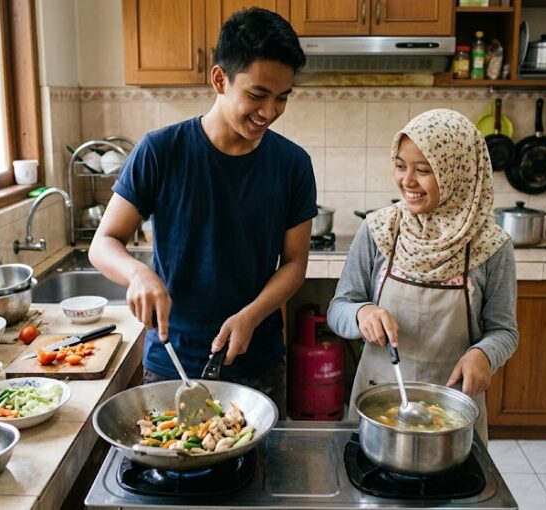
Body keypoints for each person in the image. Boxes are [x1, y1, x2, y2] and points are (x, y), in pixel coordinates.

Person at [89, 8, 316, 418]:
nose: (270, 111)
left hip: (258, 361)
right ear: (219, 79)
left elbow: (295, 264)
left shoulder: (293, 164)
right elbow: (103, 243)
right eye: (257, 94)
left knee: (261, 460)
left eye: (282, 97)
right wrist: (138, 273)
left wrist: (251, 316)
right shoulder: (160, 151)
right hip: (173, 361)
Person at [327, 109, 518, 442]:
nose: (407, 181)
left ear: (456, 172)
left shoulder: (491, 245)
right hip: (377, 404)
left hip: (453, 410)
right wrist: (361, 313)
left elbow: (504, 331)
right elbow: (339, 308)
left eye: (424, 170)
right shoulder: (379, 230)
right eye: (401, 166)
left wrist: (484, 354)